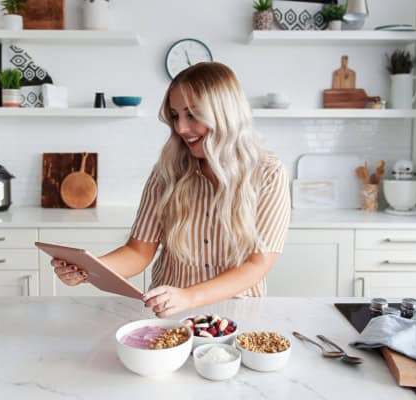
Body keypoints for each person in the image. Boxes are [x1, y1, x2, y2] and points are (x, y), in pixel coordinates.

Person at [51, 62, 290, 318]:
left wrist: (189, 297)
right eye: (175, 115)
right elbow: (138, 252)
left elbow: (257, 265)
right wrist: (90, 269)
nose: (181, 128)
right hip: (170, 313)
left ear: (225, 114)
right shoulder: (167, 172)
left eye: (192, 115)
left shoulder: (268, 174)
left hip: (237, 313)